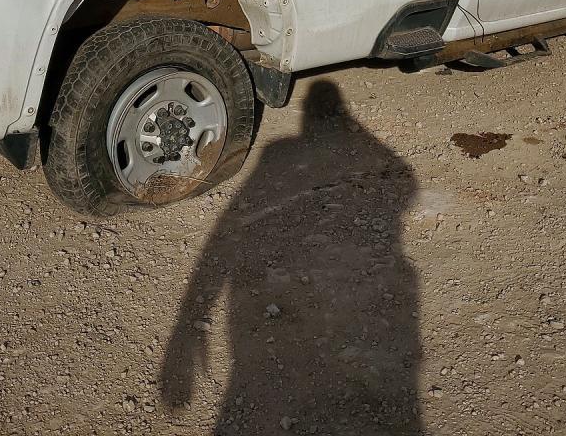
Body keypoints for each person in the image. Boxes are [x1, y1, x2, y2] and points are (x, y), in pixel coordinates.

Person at [161, 79, 425, 434]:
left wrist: (188, 329)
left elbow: (232, 225)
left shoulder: (278, 152)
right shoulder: (284, 153)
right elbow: (406, 184)